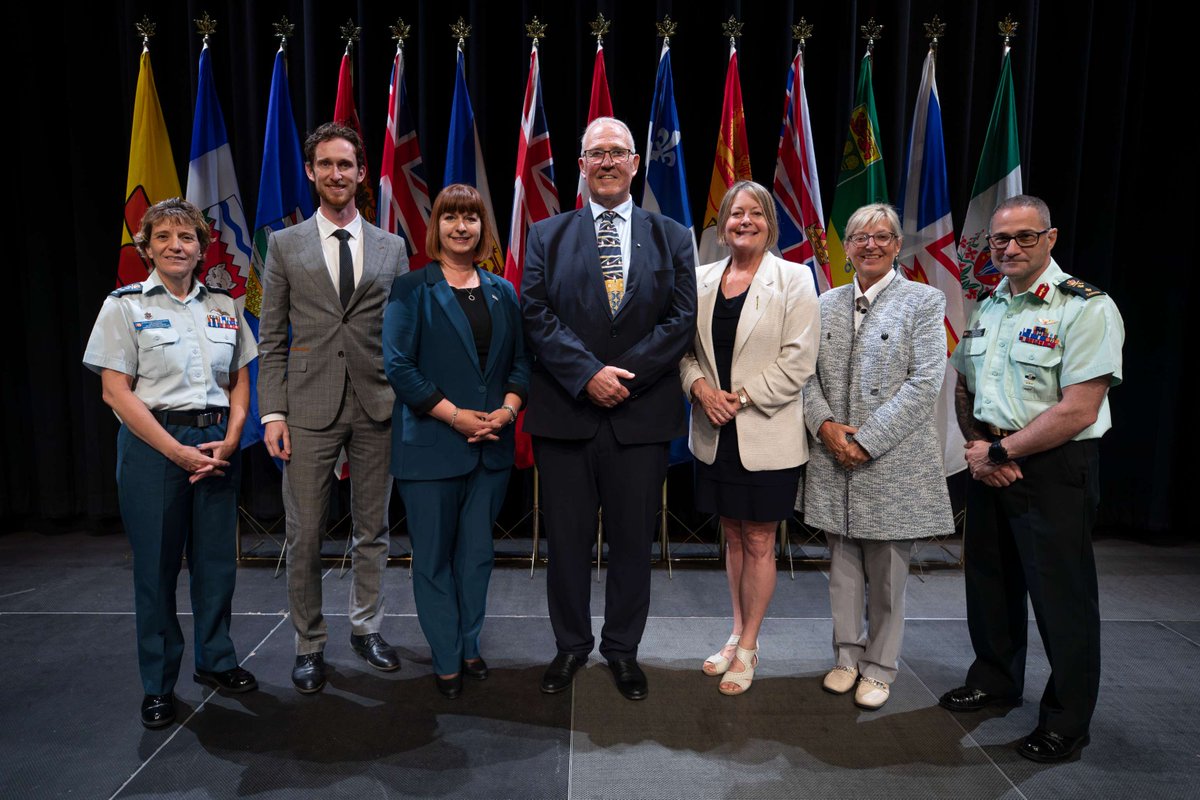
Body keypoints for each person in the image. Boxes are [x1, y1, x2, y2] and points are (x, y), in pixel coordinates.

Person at [940, 195, 1124, 762]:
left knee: (1061, 599)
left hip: (1053, 467)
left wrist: (1000, 451)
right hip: (991, 457)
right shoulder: (991, 303)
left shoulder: (1085, 307)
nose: (1011, 248)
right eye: (1001, 239)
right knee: (990, 585)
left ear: (1050, 238)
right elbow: (966, 386)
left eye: (1024, 236)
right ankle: (995, 679)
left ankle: (1068, 720)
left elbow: (1079, 409)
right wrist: (979, 448)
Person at [522, 116, 697, 701]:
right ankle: (570, 647)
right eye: (595, 153)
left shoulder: (671, 234)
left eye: (617, 152)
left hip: (640, 417)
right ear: (580, 165)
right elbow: (535, 313)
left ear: (634, 163)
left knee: (631, 546)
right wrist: (587, 376)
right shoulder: (547, 234)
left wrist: (625, 377)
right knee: (566, 544)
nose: (607, 162)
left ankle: (623, 650)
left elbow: (681, 319)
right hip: (567, 416)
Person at [84, 198, 258, 729]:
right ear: (147, 248)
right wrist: (174, 449)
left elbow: (241, 380)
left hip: (216, 442)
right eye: (163, 237)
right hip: (154, 446)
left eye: (186, 238)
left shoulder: (225, 305)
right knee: (157, 570)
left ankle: (216, 660)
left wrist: (230, 440)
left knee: (215, 565)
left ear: (202, 248)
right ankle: (159, 683)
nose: (175, 246)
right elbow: (116, 393)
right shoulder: (124, 306)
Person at [257, 122, 410, 694]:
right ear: (311, 172)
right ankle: (309, 643)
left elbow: (402, 332)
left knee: (372, 531)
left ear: (362, 172)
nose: (336, 174)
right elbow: (271, 337)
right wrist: (272, 413)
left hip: (378, 404)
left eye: (346, 164)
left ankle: (366, 628)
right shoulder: (284, 245)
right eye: (326, 164)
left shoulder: (392, 246)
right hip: (306, 407)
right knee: (305, 533)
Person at [803, 203, 954, 710]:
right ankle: (847, 657)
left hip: (891, 463)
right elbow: (804, 376)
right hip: (831, 459)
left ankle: (880, 667)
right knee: (842, 571)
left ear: (897, 245)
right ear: (846, 247)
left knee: (888, 577)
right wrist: (824, 426)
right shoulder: (823, 303)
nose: (871, 245)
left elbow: (926, 381)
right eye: (860, 237)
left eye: (882, 236)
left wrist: (865, 441)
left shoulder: (924, 301)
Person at [383, 184, 529, 698]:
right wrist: (456, 417)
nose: (461, 226)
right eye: (451, 217)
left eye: (470, 217)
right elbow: (398, 367)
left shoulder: (503, 291)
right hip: (430, 447)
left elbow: (519, 364)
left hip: (490, 449)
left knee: (477, 557)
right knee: (433, 560)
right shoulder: (411, 289)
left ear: (482, 227)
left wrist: (508, 411)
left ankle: (470, 645)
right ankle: (446, 656)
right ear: (437, 226)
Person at [679, 180, 819, 695]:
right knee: (733, 536)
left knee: (760, 539)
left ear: (769, 223)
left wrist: (734, 399)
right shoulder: (699, 279)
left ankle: (751, 645)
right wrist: (698, 387)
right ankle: (735, 632)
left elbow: (799, 361)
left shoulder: (795, 279)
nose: (744, 221)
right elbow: (683, 350)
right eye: (735, 213)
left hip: (765, 430)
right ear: (721, 225)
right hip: (714, 433)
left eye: (755, 213)